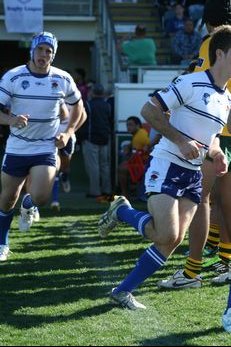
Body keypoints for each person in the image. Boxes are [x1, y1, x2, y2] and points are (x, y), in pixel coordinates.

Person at [97, 24, 231, 311]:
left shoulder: (226, 98)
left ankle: (122, 291)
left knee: (171, 241)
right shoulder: (191, 83)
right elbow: (149, 110)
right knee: (167, 235)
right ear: (220, 53)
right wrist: (181, 141)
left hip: (194, 174)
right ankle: (121, 211)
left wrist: (217, 154)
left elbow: (214, 137)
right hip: (167, 163)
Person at [0, 31, 86, 261]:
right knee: (8, 199)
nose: (43, 54)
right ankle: (2, 242)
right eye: (40, 49)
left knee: (41, 197)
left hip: (45, 147)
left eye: (49, 51)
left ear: (53, 55)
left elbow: (79, 110)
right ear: (32, 51)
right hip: (17, 146)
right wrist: (12, 120)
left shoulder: (63, 78)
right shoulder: (13, 77)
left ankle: (29, 204)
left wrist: (68, 132)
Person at [80, 83, 113, 200]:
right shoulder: (107, 105)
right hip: (105, 138)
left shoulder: (87, 104)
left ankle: (95, 191)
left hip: (91, 138)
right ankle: (107, 190)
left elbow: (82, 122)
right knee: (105, 166)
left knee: (93, 166)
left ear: (92, 92)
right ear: (102, 93)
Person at [117, 116, 151, 198]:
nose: (128, 127)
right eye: (127, 125)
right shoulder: (138, 134)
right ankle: (130, 191)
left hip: (144, 163)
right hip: (141, 162)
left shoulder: (140, 135)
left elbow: (147, 147)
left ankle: (125, 194)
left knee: (121, 168)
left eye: (131, 125)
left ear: (138, 125)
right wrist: (129, 146)